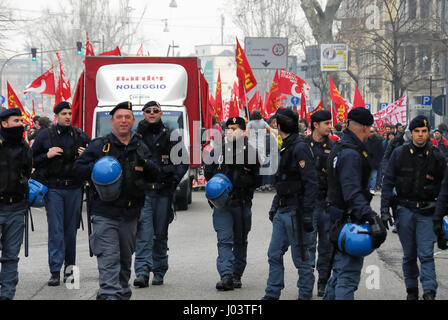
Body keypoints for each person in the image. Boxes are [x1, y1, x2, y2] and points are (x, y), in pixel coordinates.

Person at [73, 101, 160, 300]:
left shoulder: (140, 147)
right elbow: (78, 169)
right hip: (105, 214)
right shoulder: (100, 145)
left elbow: (156, 174)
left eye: (127, 117)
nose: (123, 121)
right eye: (119, 117)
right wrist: (98, 168)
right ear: (112, 121)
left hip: (130, 216)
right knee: (109, 261)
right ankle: (110, 296)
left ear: (133, 121)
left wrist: (145, 165)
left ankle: (120, 295)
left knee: (123, 264)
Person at [324, 108, 387, 300]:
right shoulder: (351, 153)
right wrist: (371, 216)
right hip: (348, 220)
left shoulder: (341, 147)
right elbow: (352, 192)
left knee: (339, 272)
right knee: (347, 276)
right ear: (365, 128)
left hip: (338, 216)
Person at [381, 115, 446, 300]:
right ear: (411, 133)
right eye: (416, 131)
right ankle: (411, 290)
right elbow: (388, 182)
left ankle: (429, 291)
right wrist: (384, 209)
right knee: (409, 255)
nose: (420, 135)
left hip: (428, 211)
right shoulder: (399, 153)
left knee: (426, 254)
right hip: (405, 209)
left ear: (429, 133)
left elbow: (444, 187)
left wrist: (441, 215)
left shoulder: (436, 156)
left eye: (424, 131)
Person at [31, 102, 90, 286]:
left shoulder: (79, 135)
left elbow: (94, 159)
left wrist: (86, 154)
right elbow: (31, 159)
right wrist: (46, 156)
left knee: (70, 231)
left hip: (74, 188)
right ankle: (55, 271)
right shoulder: (44, 136)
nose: (68, 116)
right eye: (64, 113)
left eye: (70, 113)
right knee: (56, 230)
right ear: (56, 115)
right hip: (54, 188)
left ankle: (70, 269)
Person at [262, 108, 318, 300]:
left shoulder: (299, 147)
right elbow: (283, 181)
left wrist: (308, 212)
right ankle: (272, 293)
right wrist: (275, 204)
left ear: (280, 124)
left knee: (301, 259)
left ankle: (304, 295)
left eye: (275, 123)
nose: (273, 126)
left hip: (297, 211)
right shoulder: (285, 145)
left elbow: (311, 182)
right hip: (283, 209)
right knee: (274, 254)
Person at [133, 101, 189, 288]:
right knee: (143, 233)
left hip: (164, 192)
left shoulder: (171, 135)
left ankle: (159, 270)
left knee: (159, 234)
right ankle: (142, 272)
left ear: (160, 113)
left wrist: (173, 182)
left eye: (155, 111)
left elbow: (183, 162)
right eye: (148, 111)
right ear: (143, 114)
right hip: (144, 192)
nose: (151, 113)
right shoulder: (136, 136)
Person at [204, 116, 260, 291]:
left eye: (235, 128)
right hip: (222, 205)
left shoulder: (250, 152)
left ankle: (237, 274)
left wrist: (241, 180)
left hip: (241, 203)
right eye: (228, 128)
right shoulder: (217, 151)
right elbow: (208, 172)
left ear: (243, 131)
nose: (230, 131)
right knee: (224, 240)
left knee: (240, 240)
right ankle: (226, 275)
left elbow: (258, 180)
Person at [0, 108, 33, 300]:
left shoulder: (24, 146)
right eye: (16, 121)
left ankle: (7, 295)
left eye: (21, 120)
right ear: (4, 124)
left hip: (16, 208)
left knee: (11, 256)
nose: (20, 124)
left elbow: (27, 171)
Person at [304, 110, 334, 297]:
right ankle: (306, 283)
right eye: (327, 123)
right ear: (316, 125)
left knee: (326, 247)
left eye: (330, 123)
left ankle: (323, 281)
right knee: (307, 246)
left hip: (327, 205)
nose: (330, 126)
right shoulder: (303, 146)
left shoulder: (335, 146)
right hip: (309, 205)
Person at [366, 126, 384, 194]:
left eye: (372, 132)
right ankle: (367, 188)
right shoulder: (365, 139)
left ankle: (372, 188)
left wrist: (378, 160)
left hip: (375, 161)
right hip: (367, 161)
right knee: (367, 176)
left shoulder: (378, 140)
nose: (371, 133)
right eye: (370, 132)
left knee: (373, 176)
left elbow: (381, 152)